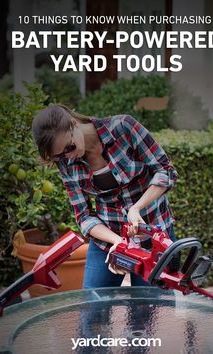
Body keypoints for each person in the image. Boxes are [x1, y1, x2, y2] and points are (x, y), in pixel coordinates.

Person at [32, 104, 178, 288]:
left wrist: (136, 208)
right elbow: (84, 216)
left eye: (69, 147)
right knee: (92, 310)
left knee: (149, 312)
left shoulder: (123, 127)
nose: (68, 157)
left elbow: (165, 170)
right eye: (60, 156)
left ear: (73, 123)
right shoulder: (66, 162)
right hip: (108, 241)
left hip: (153, 237)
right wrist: (118, 242)